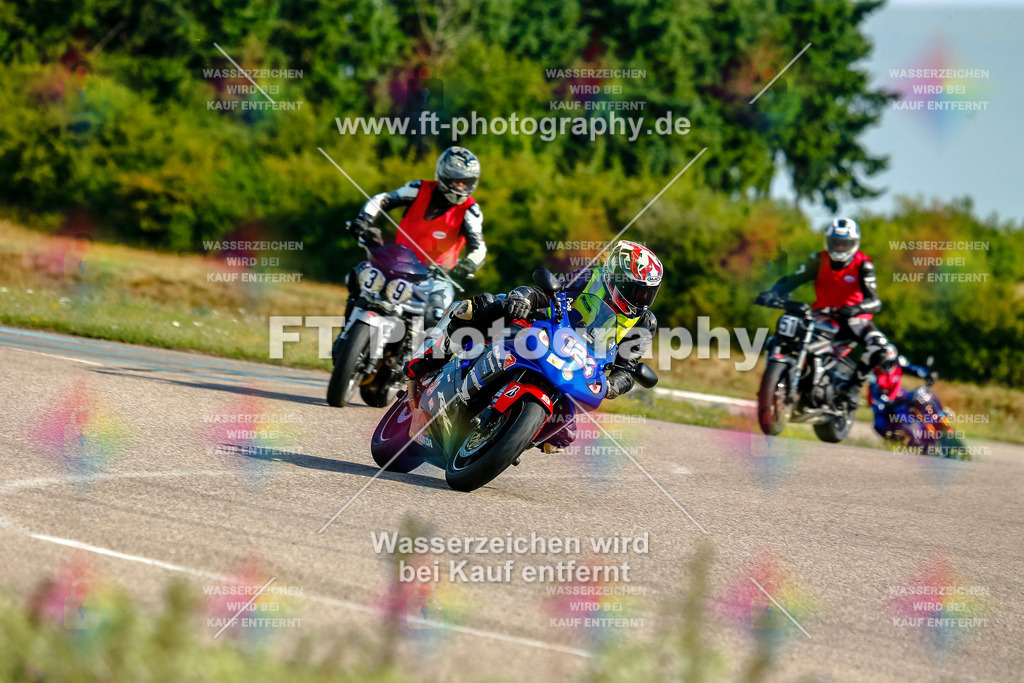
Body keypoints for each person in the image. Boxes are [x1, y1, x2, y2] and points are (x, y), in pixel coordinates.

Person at [405, 240, 662, 452]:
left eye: (648, 293)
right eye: (636, 290)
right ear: (616, 277)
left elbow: (628, 366)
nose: (642, 299)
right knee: (482, 307)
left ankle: (506, 438)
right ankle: (428, 360)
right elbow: (549, 294)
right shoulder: (589, 277)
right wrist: (524, 298)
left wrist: (615, 384)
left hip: (579, 366)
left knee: (564, 435)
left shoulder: (645, 321)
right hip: (543, 331)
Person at [756, 218, 887, 406]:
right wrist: (772, 293)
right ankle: (789, 378)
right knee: (788, 335)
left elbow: (875, 301)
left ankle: (854, 388)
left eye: (845, 243)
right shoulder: (818, 260)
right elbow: (794, 279)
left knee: (880, 348)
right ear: (829, 241)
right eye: (836, 242)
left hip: (855, 320)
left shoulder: (863, 265)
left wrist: (856, 308)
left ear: (854, 243)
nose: (840, 247)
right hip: (822, 316)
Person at [344, 146, 486, 319]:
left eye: (467, 181)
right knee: (357, 278)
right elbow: (383, 199)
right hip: (397, 263)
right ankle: (344, 337)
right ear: (445, 175)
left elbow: (479, 248)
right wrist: (363, 220)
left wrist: (466, 266)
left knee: (434, 314)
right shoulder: (419, 189)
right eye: (458, 180)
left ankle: (420, 345)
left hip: (438, 277)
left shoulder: (470, 210)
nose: (462, 186)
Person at [869, 344, 936, 438]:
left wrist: (927, 374)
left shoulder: (900, 362)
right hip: (883, 402)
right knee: (881, 426)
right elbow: (874, 395)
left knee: (921, 398)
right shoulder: (873, 373)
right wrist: (884, 402)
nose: (886, 366)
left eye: (888, 363)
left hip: (898, 394)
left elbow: (914, 369)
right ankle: (904, 438)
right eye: (883, 362)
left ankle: (937, 419)